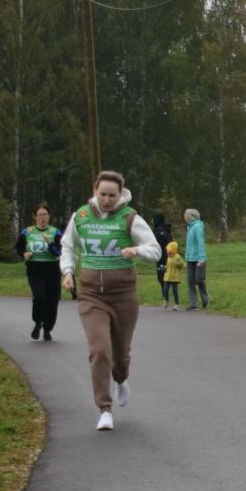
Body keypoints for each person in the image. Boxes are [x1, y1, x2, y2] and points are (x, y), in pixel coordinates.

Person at [59, 171, 162, 431]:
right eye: (102, 194)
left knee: (121, 355)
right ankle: (104, 409)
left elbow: (156, 250)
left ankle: (121, 378)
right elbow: (68, 245)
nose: (106, 200)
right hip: (92, 295)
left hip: (123, 296)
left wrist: (136, 250)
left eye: (111, 195)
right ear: (95, 191)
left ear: (120, 195)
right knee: (100, 350)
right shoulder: (81, 216)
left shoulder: (129, 218)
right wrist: (68, 271)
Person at [16, 204, 63, 341]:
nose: (42, 217)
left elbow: (59, 252)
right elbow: (18, 248)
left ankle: (47, 329)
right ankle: (37, 322)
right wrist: (24, 253)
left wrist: (50, 244)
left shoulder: (55, 232)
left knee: (53, 300)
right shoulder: (28, 231)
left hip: (52, 269)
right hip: (35, 269)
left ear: (49, 217)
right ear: (35, 217)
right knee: (40, 296)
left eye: (45, 214)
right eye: (40, 215)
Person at [183, 208, 208, 309]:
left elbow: (200, 242)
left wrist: (201, 258)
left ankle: (205, 298)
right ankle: (193, 303)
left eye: (186, 214)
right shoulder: (189, 227)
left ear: (191, 216)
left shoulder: (197, 226)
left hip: (198, 258)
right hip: (190, 258)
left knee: (199, 279)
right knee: (190, 280)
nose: (184, 216)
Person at [151, 212, 173, 301]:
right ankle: (165, 294)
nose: (152, 221)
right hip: (164, 256)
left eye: (153, 219)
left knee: (162, 275)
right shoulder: (163, 229)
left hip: (162, 257)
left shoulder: (161, 230)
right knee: (163, 275)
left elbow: (163, 242)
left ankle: (166, 295)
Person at [162, 241, 184, 309]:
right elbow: (168, 266)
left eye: (170, 251)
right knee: (165, 289)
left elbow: (183, 265)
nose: (168, 253)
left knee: (174, 290)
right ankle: (166, 301)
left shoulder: (178, 257)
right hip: (168, 277)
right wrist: (164, 267)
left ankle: (176, 304)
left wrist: (178, 265)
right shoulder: (168, 258)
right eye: (168, 251)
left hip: (175, 277)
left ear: (174, 250)